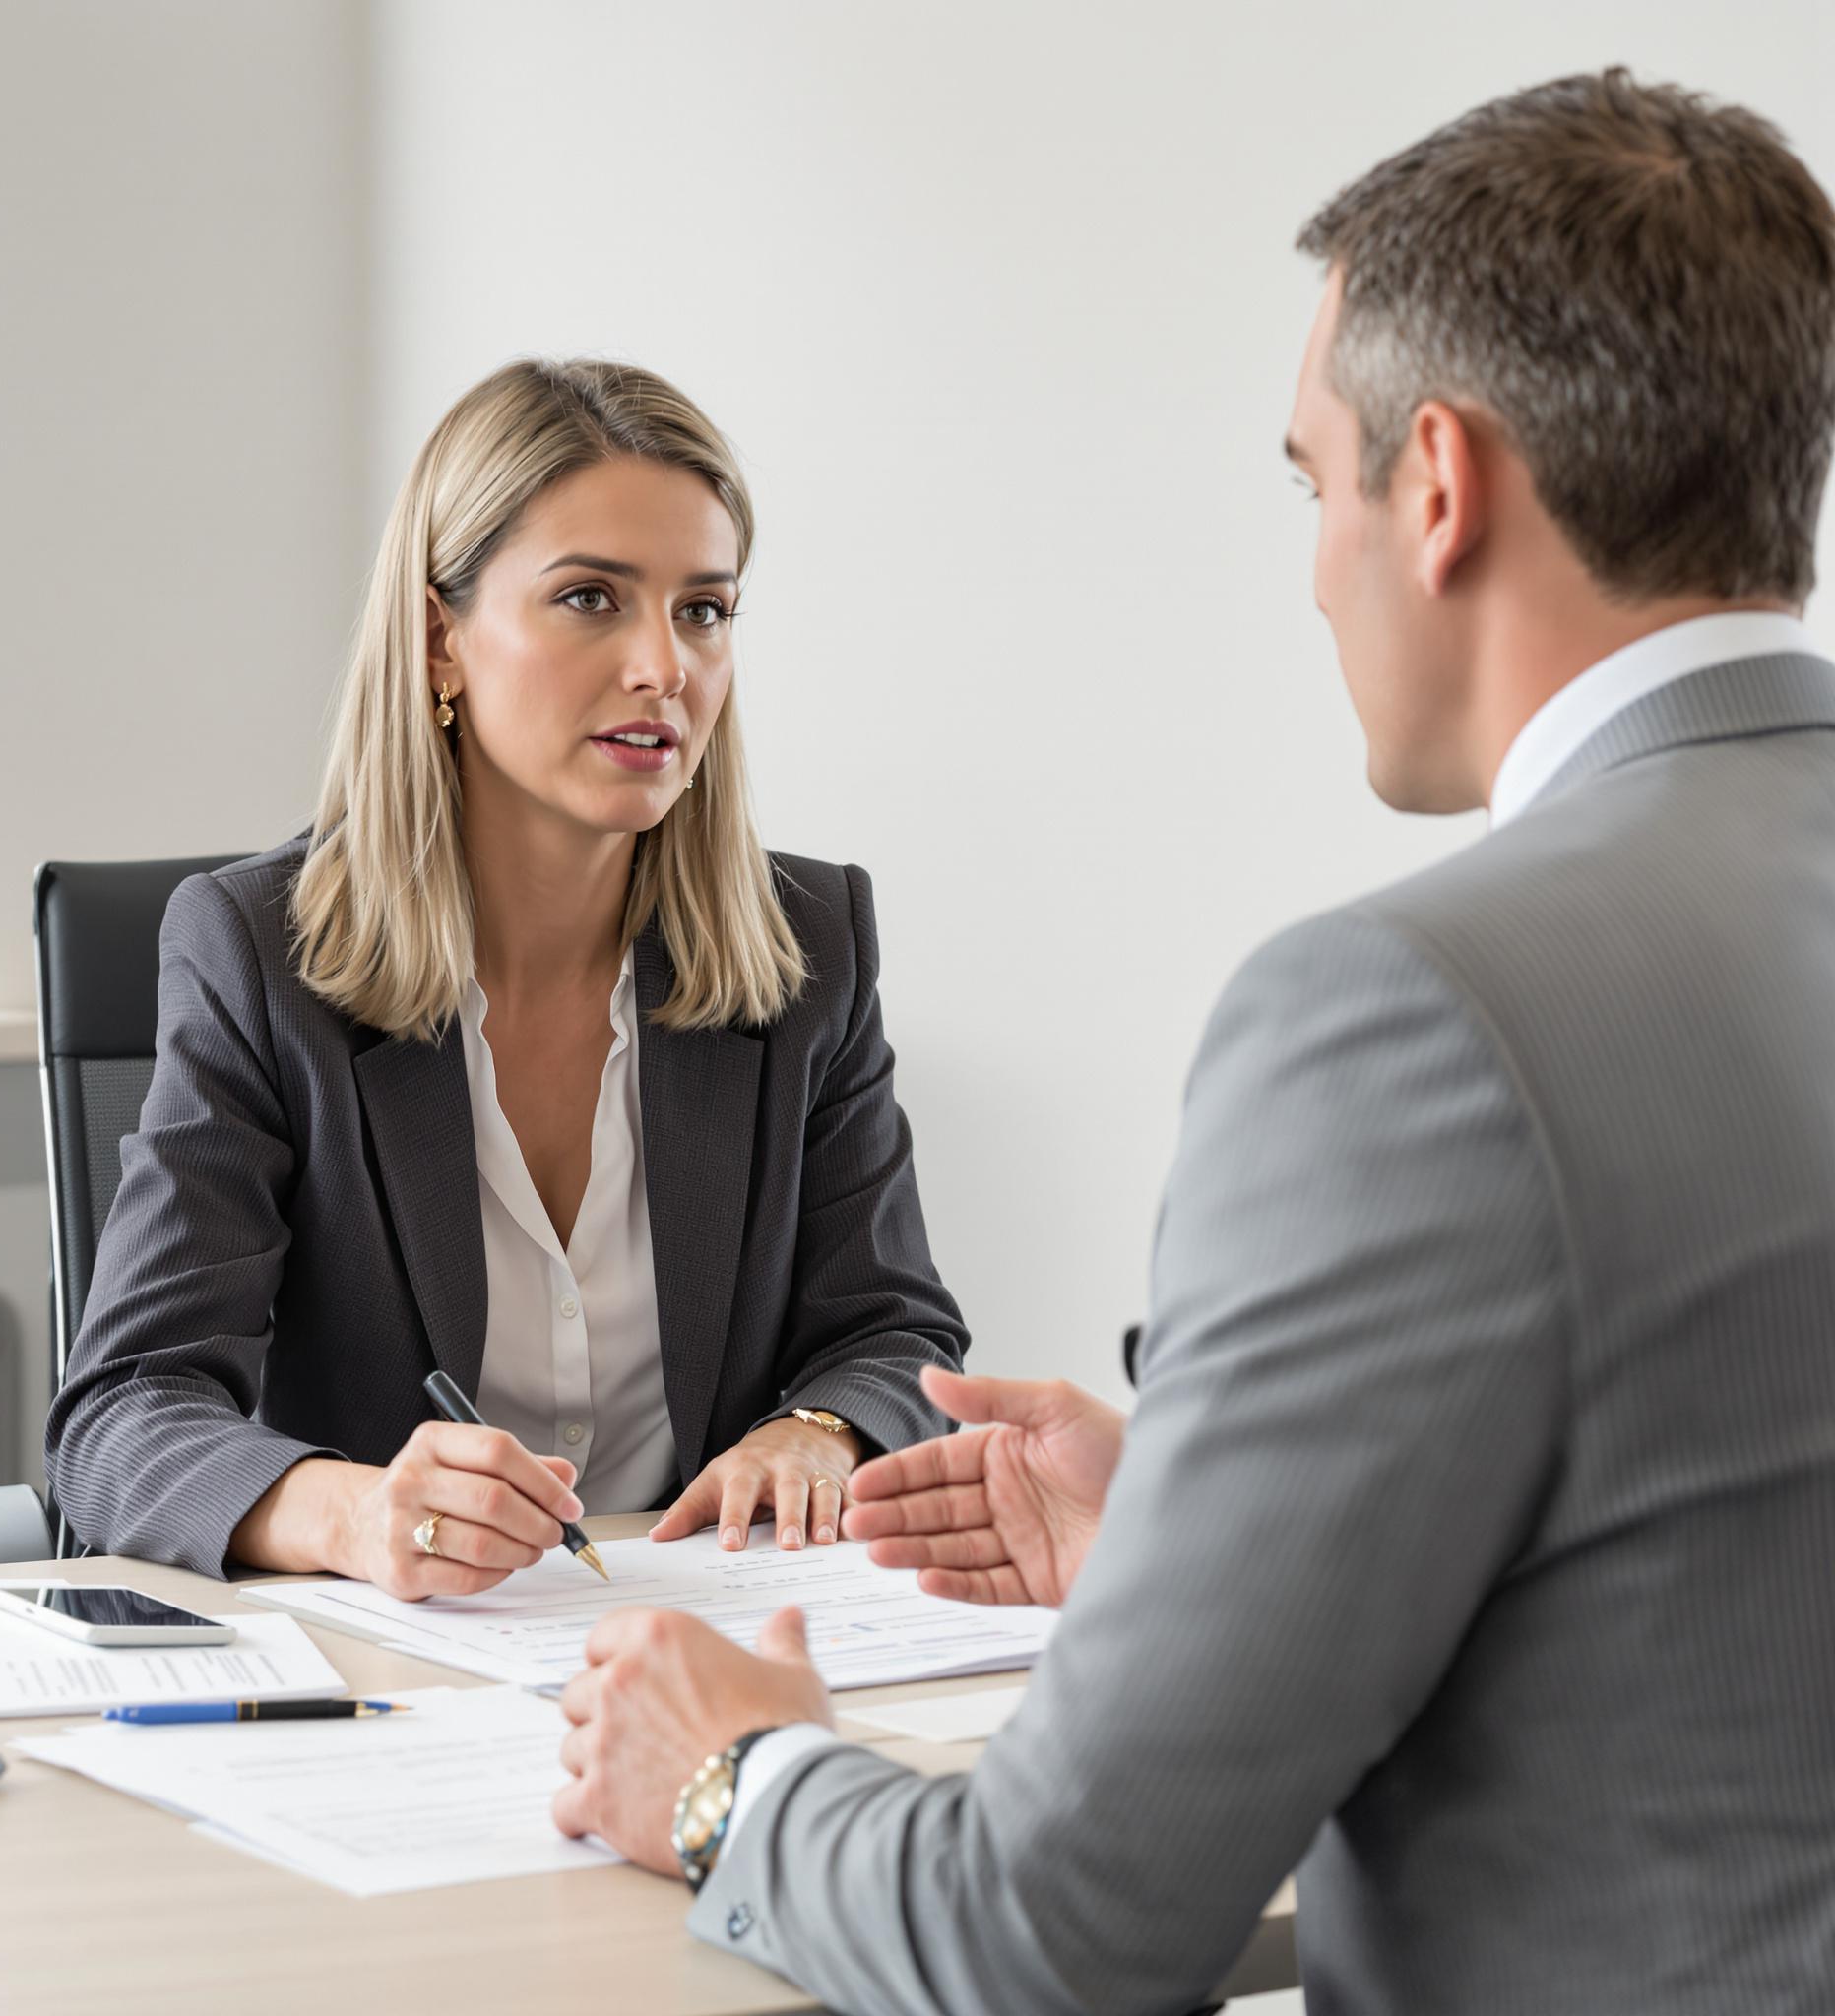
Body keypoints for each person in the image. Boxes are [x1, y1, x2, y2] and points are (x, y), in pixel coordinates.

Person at [549, 71, 1835, 2014]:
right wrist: (1214, 1523)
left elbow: (1052, 1929)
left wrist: (728, 1772)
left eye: (1313, 479)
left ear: (1439, 486)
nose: (1317, 561)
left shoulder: (1402, 1015)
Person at [45, 360, 968, 1595]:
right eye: (591, 597)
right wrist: (353, 1513)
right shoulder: (257, 953)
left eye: (704, 609)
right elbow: (120, 1414)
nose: (663, 667)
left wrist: (818, 1432)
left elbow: (897, 1336)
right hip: (388, 1668)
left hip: (702, 1640)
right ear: (440, 639)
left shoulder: (810, 945)